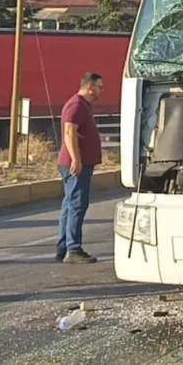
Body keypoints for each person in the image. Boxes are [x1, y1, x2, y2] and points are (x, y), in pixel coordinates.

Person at [56, 72, 104, 264]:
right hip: (76, 166)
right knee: (77, 205)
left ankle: (64, 247)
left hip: (78, 164)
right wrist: (76, 159)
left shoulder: (83, 105)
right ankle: (73, 249)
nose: (102, 91)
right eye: (100, 87)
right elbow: (69, 132)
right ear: (90, 86)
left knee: (69, 205)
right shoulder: (76, 105)